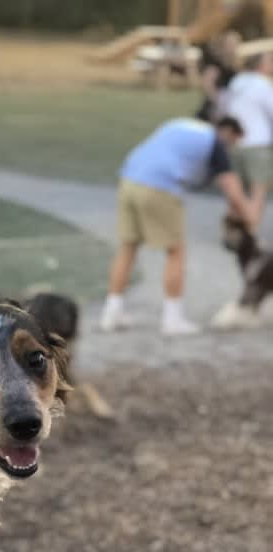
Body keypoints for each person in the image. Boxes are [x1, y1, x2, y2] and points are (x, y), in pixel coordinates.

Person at [100, 116, 254, 336]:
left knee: (128, 246)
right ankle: (172, 319)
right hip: (159, 186)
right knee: (176, 251)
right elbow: (230, 186)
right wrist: (249, 218)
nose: (230, 149)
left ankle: (111, 312)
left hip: (129, 180)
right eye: (234, 143)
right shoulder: (215, 142)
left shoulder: (185, 126)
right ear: (229, 132)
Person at [221, 51, 273, 229]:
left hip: (235, 143)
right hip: (257, 146)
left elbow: (225, 107)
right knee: (257, 191)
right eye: (269, 62)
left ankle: (231, 229)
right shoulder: (263, 85)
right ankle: (251, 231)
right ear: (260, 65)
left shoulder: (237, 81)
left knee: (236, 191)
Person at [196, 31, 240, 122]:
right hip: (218, 103)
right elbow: (207, 83)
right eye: (230, 43)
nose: (233, 46)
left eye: (235, 43)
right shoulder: (217, 62)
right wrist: (218, 101)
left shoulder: (235, 62)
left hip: (230, 102)